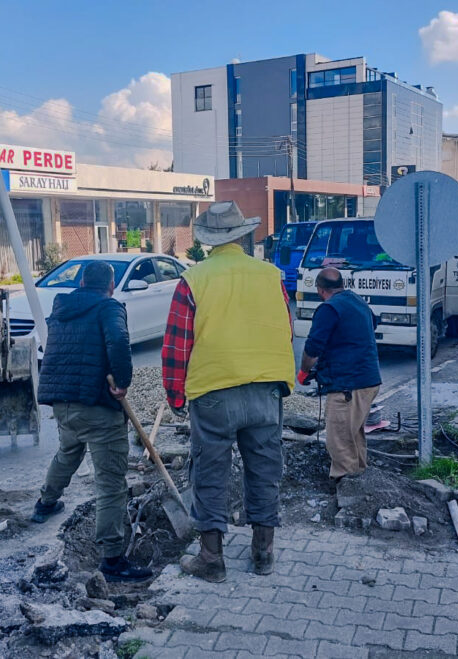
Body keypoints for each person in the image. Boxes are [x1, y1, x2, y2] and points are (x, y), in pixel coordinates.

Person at [162, 201, 294, 583]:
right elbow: (285, 330)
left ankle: (211, 559)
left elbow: (176, 346)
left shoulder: (195, 280)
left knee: (211, 471)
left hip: (215, 391)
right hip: (265, 389)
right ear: (241, 235)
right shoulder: (271, 276)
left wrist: (175, 398)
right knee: (265, 470)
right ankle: (263, 554)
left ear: (208, 242)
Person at [31, 260, 152, 583]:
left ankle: (46, 503)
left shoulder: (62, 307)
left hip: (63, 400)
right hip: (97, 405)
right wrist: (122, 382)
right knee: (110, 481)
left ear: (82, 282)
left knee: (68, 451)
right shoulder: (109, 307)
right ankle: (112, 559)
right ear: (110, 286)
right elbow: (117, 341)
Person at [298, 268, 382, 482]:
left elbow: (313, 347)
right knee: (353, 433)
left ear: (320, 289)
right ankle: (361, 478)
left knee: (338, 439)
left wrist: (304, 371)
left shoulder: (329, 309)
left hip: (347, 384)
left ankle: (348, 488)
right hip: (369, 380)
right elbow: (371, 324)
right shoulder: (357, 301)